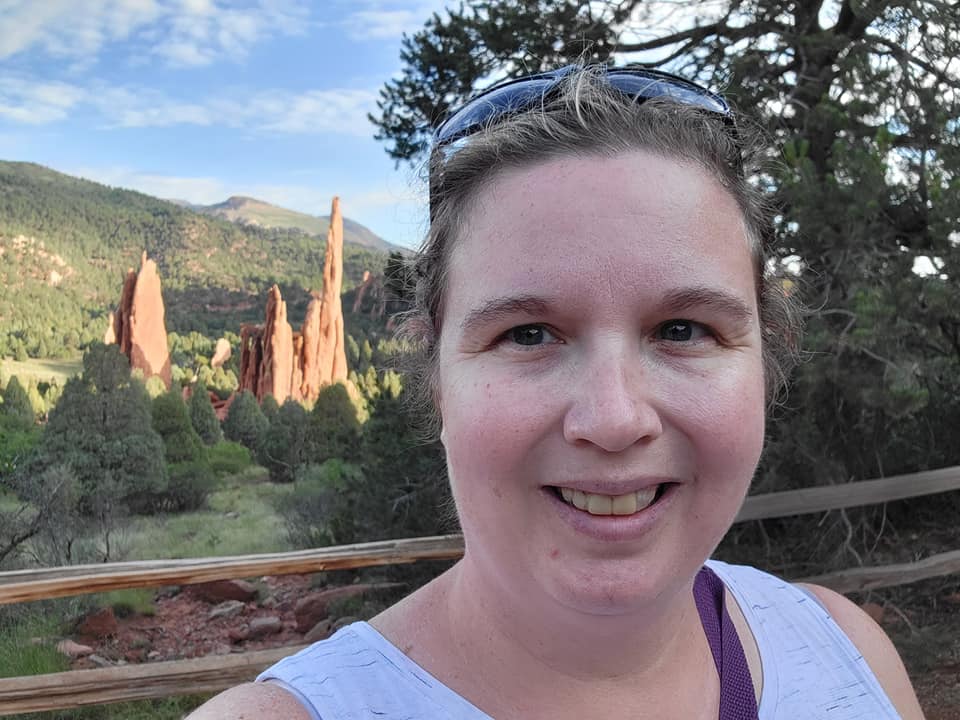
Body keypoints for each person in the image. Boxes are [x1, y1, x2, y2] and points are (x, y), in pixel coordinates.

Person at [189, 64, 924, 719]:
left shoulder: (848, 649)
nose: (613, 419)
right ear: (437, 379)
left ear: (767, 360)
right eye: (529, 335)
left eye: (682, 329)